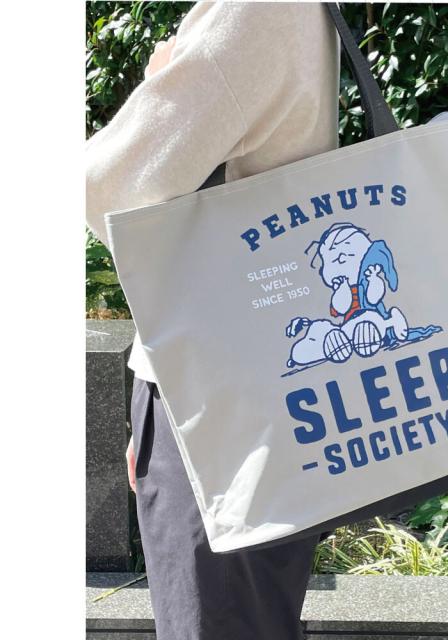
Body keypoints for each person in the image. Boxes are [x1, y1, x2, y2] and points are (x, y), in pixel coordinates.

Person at [86, 2, 339, 638]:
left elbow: (108, 185)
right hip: (269, 386)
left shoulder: (251, 10)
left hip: (214, 397)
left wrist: (160, 81)